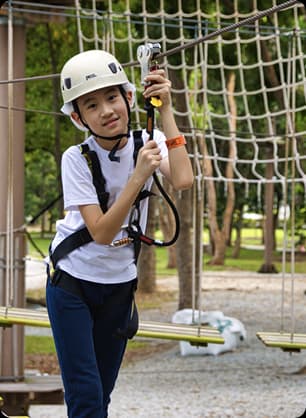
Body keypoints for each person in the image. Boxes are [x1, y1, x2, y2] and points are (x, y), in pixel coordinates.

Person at [46, 49, 194, 418]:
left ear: (129, 98)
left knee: (103, 395)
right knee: (86, 397)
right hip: (72, 284)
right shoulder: (76, 159)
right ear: (79, 118)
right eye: (92, 105)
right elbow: (100, 232)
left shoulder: (149, 140)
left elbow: (183, 179)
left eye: (112, 97)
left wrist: (166, 110)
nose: (107, 110)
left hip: (118, 286)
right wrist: (138, 176)